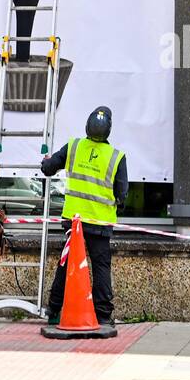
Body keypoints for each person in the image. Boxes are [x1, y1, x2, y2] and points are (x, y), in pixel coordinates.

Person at [41, 106, 127, 327]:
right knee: (101, 267)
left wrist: (46, 161)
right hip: (100, 223)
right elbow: (122, 194)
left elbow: (49, 169)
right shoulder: (117, 157)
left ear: (87, 125)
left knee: (66, 264)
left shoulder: (74, 146)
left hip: (74, 221)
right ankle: (104, 316)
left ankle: (53, 310)